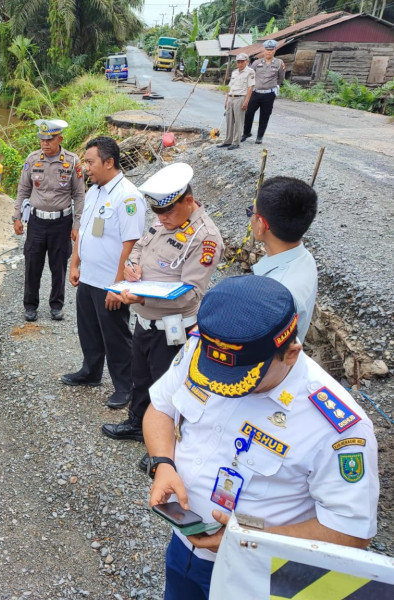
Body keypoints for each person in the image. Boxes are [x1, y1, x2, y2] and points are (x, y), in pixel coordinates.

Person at [144, 276, 378, 599]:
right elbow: (160, 409)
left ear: (291, 354)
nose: (220, 385)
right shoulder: (207, 350)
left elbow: (350, 532)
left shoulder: (339, 427)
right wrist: (163, 464)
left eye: (243, 379)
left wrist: (248, 540)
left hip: (260, 576)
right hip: (182, 549)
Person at [102, 163, 223, 447]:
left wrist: (142, 297)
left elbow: (191, 294)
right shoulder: (163, 220)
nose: (163, 218)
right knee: (140, 377)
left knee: (168, 387)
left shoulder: (205, 238)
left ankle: (165, 446)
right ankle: (137, 423)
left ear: (189, 202)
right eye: (158, 213)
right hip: (145, 322)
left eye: (168, 212)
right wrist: (131, 266)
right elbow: (142, 247)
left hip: (172, 329)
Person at [62, 137, 146, 407]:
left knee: (117, 337)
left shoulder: (128, 196)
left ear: (109, 162)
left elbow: (131, 245)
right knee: (89, 330)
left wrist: (117, 285)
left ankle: (125, 387)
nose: (86, 168)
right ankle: (91, 371)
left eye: (90, 162)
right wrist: (75, 263)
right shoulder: (95, 190)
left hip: (110, 282)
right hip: (89, 277)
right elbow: (84, 231)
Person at [13, 118, 86, 321]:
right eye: (42, 139)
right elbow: (23, 189)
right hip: (37, 222)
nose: (45, 143)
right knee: (32, 266)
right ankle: (30, 306)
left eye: (50, 139)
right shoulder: (33, 159)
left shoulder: (72, 161)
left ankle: (56, 305)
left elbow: (79, 195)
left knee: (59, 266)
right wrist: (17, 216)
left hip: (62, 224)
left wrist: (77, 224)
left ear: (60, 138)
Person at [249, 176, 318, 343]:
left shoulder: (274, 293)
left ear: (261, 226)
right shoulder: (305, 258)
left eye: (252, 212)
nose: (250, 216)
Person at [242, 39, 285, 144]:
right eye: (267, 49)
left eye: (271, 49)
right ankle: (246, 133)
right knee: (249, 113)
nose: (269, 52)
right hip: (256, 93)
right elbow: (250, 76)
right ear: (264, 50)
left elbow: (281, 78)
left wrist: (272, 87)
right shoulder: (256, 63)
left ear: (274, 50)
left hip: (269, 94)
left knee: (264, 115)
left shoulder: (279, 63)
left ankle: (260, 136)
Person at [219, 53, 254, 150]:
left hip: (240, 98)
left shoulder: (250, 72)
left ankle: (236, 142)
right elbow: (230, 87)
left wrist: (246, 102)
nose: (240, 64)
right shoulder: (234, 72)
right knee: (229, 120)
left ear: (246, 61)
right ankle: (228, 141)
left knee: (238, 121)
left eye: (242, 61)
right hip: (231, 97)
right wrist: (226, 100)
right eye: (238, 62)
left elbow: (250, 87)